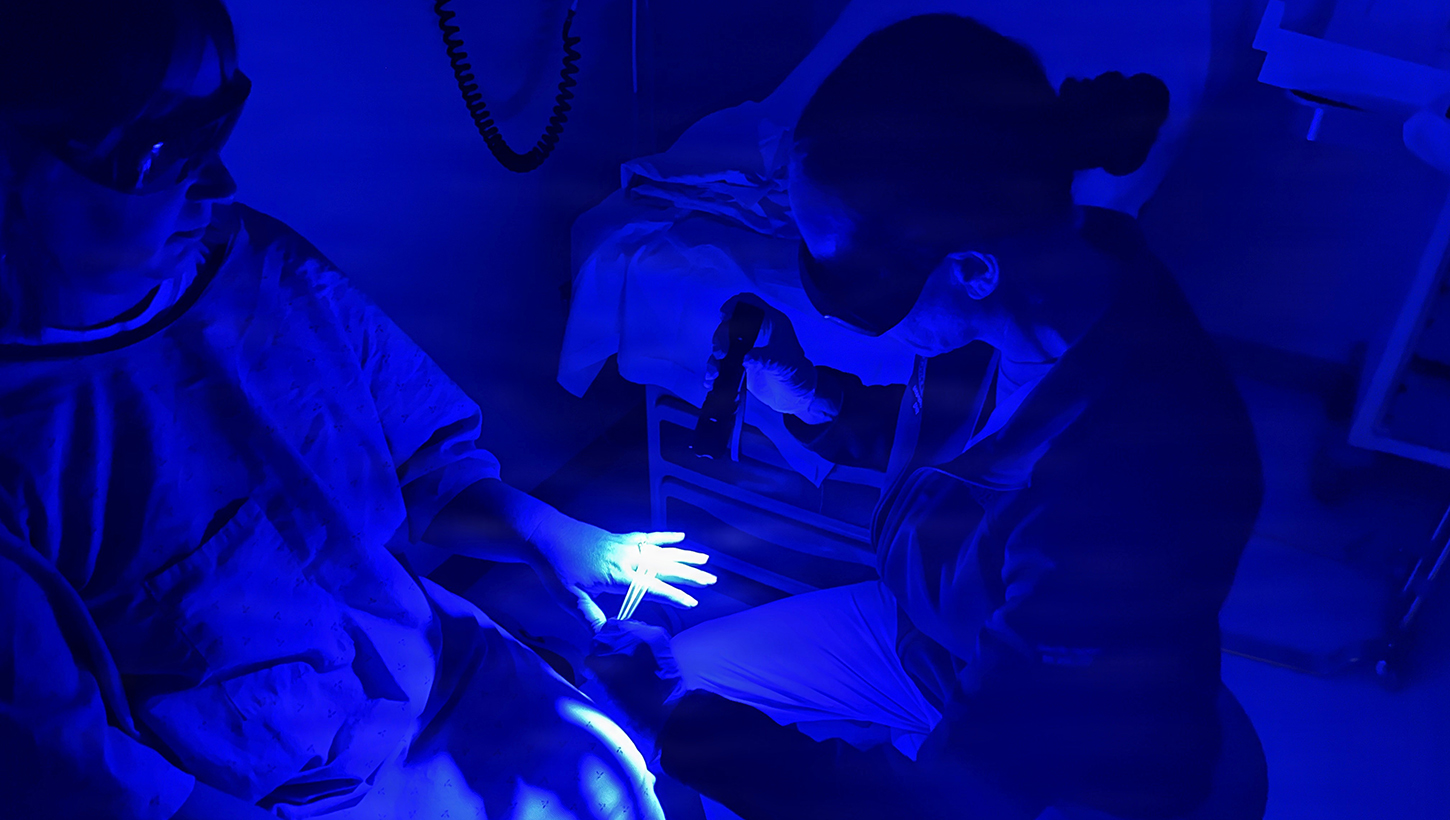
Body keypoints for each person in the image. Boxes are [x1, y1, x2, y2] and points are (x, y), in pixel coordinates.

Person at [0, 2, 715, 819]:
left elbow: (429, 470)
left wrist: (559, 539)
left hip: (434, 664)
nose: (219, 184)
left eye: (219, 123)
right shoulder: (27, 438)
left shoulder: (258, 269)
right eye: (163, 149)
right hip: (274, 796)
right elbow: (92, 783)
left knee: (615, 781)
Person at [597, 14, 1265, 820]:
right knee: (681, 683)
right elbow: (954, 455)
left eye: (842, 277)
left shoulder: (1127, 490)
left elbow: (944, 806)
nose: (832, 311)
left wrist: (673, 721)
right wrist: (809, 393)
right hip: (937, 644)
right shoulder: (1023, 299)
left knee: (677, 715)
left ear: (972, 268)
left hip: (1067, 763)